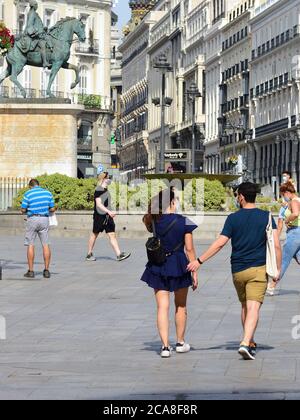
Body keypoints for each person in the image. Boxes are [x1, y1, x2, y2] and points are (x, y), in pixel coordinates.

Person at [188, 182, 282, 361]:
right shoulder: (266, 217)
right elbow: (276, 245)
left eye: (237, 195)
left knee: (245, 305)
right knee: (254, 307)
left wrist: (199, 261)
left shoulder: (232, 218)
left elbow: (220, 243)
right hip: (258, 269)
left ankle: (250, 341)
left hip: (237, 270)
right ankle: (245, 343)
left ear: (242, 197)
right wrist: (277, 270)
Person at [141, 189, 198, 358]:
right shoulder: (184, 221)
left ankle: (165, 347)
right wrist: (194, 271)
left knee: (162, 307)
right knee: (180, 305)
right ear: (172, 202)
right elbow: (189, 248)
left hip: (158, 264)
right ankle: (180, 342)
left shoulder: (154, 220)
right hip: (180, 264)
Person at [86, 171, 131, 262]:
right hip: (99, 216)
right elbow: (98, 204)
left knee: (112, 234)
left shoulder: (106, 190)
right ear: (104, 179)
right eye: (108, 177)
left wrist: (109, 212)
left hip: (107, 216)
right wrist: (109, 212)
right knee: (94, 234)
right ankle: (89, 253)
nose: (109, 179)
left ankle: (119, 255)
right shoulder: (98, 190)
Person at [21, 179, 56, 279]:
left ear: (30, 186)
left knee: (31, 244)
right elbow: (52, 208)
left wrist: (26, 210)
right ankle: (46, 271)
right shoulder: (48, 193)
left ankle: (31, 271)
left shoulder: (28, 193)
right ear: (38, 185)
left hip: (32, 219)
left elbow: (23, 209)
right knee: (45, 244)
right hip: (44, 219)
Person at [278, 182, 300, 281]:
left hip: (295, 232)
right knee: (298, 257)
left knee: (284, 260)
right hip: (296, 232)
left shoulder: (294, 201)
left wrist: (287, 220)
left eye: (283, 195)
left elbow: (295, 214)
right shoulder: (296, 200)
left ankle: (272, 285)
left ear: (287, 192)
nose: (283, 197)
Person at [25, 0, 51, 68]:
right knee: (43, 45)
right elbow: (29, 25)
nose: (37, 6)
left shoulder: (34, 13)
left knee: (49, 39)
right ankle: (45, 62)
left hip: (39, 34)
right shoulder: (32, 13)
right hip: (35, 36)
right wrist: (35, 32)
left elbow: (37, 24)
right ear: (33, 6)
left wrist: (43, 28)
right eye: (36, 5)